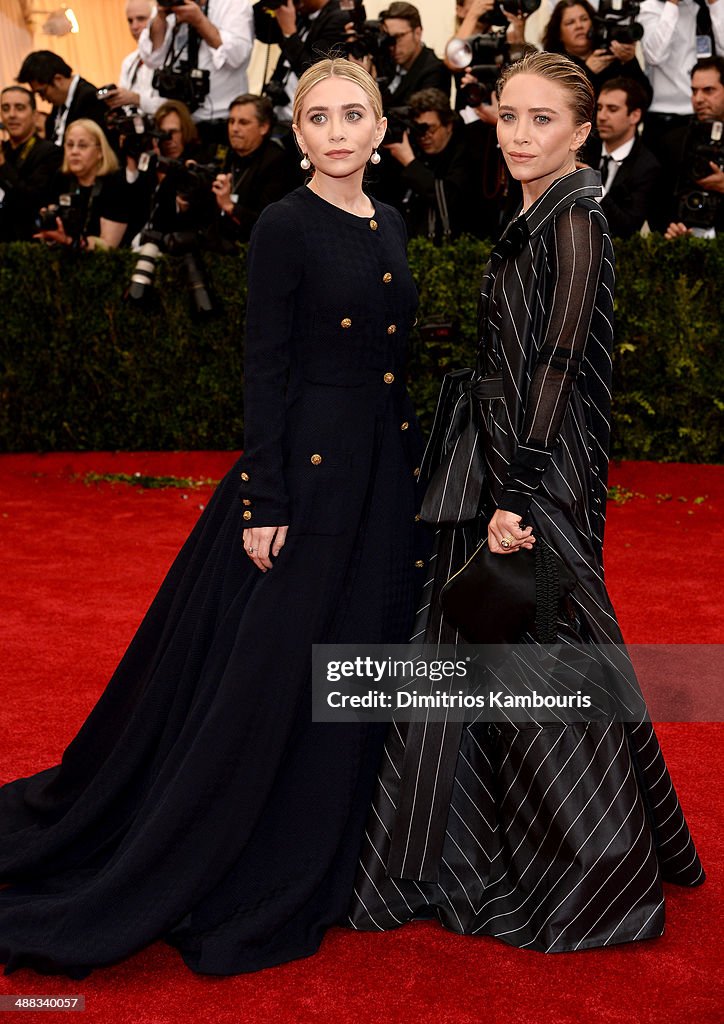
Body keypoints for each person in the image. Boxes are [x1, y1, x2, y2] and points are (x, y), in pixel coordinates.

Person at [0, 58, 427, 978]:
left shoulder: (390, 220)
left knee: (356, 670)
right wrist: (265, 500)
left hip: (382, 484)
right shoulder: (284, 224)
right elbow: (264, 367)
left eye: (356, 114)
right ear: (299, 133)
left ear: (380, 121)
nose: (340, 131)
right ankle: (226, 857)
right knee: (271, 678)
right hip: (308, 485)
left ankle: (325, 852)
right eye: (320, 118)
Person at [349, 51, 704, 951]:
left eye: (542, 119)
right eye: (508, 116)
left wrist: (518, 491)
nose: (518, 134)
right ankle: (476, 847)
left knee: (541, 656)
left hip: (533, 475)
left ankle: (593, 879)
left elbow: (560, 361)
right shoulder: (538, 214)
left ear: (586, 131)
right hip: (506, 460)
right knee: (497, 645)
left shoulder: (576, 221)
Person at [138, 0, 254, 150]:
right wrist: (161, 16)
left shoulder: (233, 4)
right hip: (179, 124)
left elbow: (237, 56)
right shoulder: (171, 4)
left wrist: (199, 21)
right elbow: (150, 58)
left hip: (219, 125)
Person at [384, 87, 478, 241]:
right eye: (418, 129)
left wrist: (409, 161)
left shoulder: (467, 152)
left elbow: (450, 201)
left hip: (454, 251)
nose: (424, 136)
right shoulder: (415, 148)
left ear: (448, 125)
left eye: (431, 128)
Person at [638, 0, 724, 159]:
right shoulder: (652, 7)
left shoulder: (711, 6)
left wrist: (715, 5)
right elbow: (654, 55)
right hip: (664, 118)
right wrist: (672, 5)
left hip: (708, 116)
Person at [33, 119, 131, 250]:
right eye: (69, 145)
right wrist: (52, 234)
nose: (74, 152)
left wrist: (73, 242)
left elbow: (109, 246)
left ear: (100, 152)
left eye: (82, 146)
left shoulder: (115, 182)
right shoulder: (61, 178)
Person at [212, 93, 296, 242]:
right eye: (231, 121)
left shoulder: (277, 162)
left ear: (263, 127)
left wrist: (230, 206)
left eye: (243, 122)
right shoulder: (226, 154)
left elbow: (270, 222)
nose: (234, 129)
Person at [655, 57, 724, 238]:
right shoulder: (673, 141)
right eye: (694, 91)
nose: (698, 99)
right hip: (681, 247)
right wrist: (671, 228)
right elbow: (657, 200)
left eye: (708, 90)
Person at [588, 77, 661, 237]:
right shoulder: (584, 149)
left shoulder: (646, 166)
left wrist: (592, 186)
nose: (602, 116)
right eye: (599, 108)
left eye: (612, 109)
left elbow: (628, 227)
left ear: (634, 116)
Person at [262, 0, 350, 126]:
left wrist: (289, 32)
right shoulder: (302, 15)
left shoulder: (338, 18)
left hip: (307, 119)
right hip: (279, 111)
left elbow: (316, 72)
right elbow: (262, 31)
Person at [543, 0, 651, 101]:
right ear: (558, 33)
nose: (579, 26)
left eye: (584, 19)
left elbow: (645, 98)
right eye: (570, 22)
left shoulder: (608, 55)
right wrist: (588, 71)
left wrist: (630, 61)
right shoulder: (553, 64)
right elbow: (560, 101)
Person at [0, 85, 62, 241]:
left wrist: (2, 166)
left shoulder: (50, 152)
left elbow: (31, 201)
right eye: (5, 108)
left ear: (34, 115)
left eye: (19, 108)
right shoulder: (4, 149)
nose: (11, 115)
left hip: (30, 243)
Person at [17, 51, 107, 147]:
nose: (42, 99)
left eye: (42, 92)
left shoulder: (89, 99)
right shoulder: (60, 103)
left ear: (58, 79)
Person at [380, 2, 452, 108]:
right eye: (388, 38)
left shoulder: (435, 70)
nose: (392, 45)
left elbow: (415, 118)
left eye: (399, 36)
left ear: (417, 33)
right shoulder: (385, 62)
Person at [102, 0, 163, 117]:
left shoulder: (172, 57)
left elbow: (177, 106)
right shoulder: (129, 62)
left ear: (157, 18)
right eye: (130, 21)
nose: (134, 26)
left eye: (141, 19)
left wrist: (137, 100)